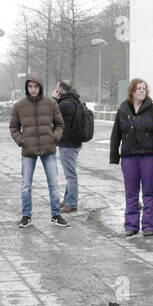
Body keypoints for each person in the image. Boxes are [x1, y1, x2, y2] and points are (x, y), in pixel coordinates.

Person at [10, 74, 69, 228]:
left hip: (48, 149)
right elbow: (13, 127)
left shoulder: (51, 103)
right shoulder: (19, 106)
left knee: (53, 183)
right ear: (26, 88)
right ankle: (26, 216)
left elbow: (60, 124)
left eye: (36, 86)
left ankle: (56, 215)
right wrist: (20, 140)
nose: (33, 90)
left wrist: (54, 138)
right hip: (28, 150)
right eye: (30, 87)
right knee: (26, 185)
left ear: (40, 87)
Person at [109, 78, 153, 237]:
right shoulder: (123, 109)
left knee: (148, 192)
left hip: (148, 157)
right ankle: (131, 225)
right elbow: (116, 134)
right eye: (139, 88)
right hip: (129, 157)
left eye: (144, 88)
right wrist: (114, 155)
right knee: (131, 192)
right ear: (132, 91)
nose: (142, 91)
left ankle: (149, 226)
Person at [54, 79, 83, 213]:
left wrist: (54, 99)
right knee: (70, 173)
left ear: (61, 89)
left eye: (57, 87)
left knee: (70, 175)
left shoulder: (65, 104)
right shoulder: (74, 101)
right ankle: (68, 200)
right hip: (74, 143)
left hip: (68, 144)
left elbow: (48, 112)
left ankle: (71, 203)